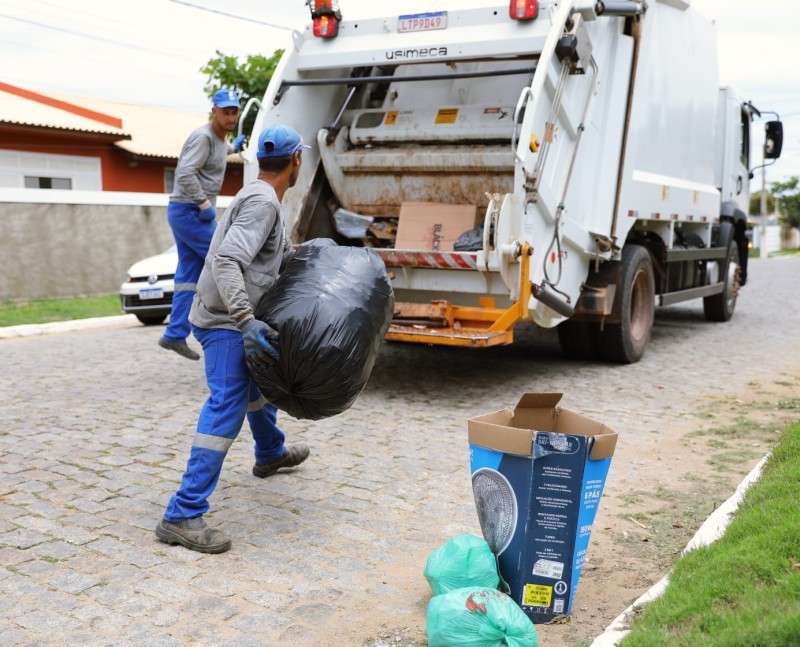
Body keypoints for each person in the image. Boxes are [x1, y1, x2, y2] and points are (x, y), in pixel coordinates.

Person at [155, 124, 312, 554]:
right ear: (296, 160)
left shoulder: (258, 195)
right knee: (227, 406)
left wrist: (310, 256)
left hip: (224, 313)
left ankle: (270, 452)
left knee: (256, 386)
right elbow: (227, 260)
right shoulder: (263, 203)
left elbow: (268, 255)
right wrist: (245, 319)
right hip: (224, 320)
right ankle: (181, 514)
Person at [158, 88, 247, 361]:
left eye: (234, 112)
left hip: (186, 213)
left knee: (188, 277)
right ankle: (242, 323)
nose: (231, 117)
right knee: (227, 257)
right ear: (214, 111)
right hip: (189, 212)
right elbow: (185, 173)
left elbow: (215, 155)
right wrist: (203, 203)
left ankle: (174, 334)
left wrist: (234, 148)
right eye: (226, 112)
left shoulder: (219, 140)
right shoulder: (204, 137)